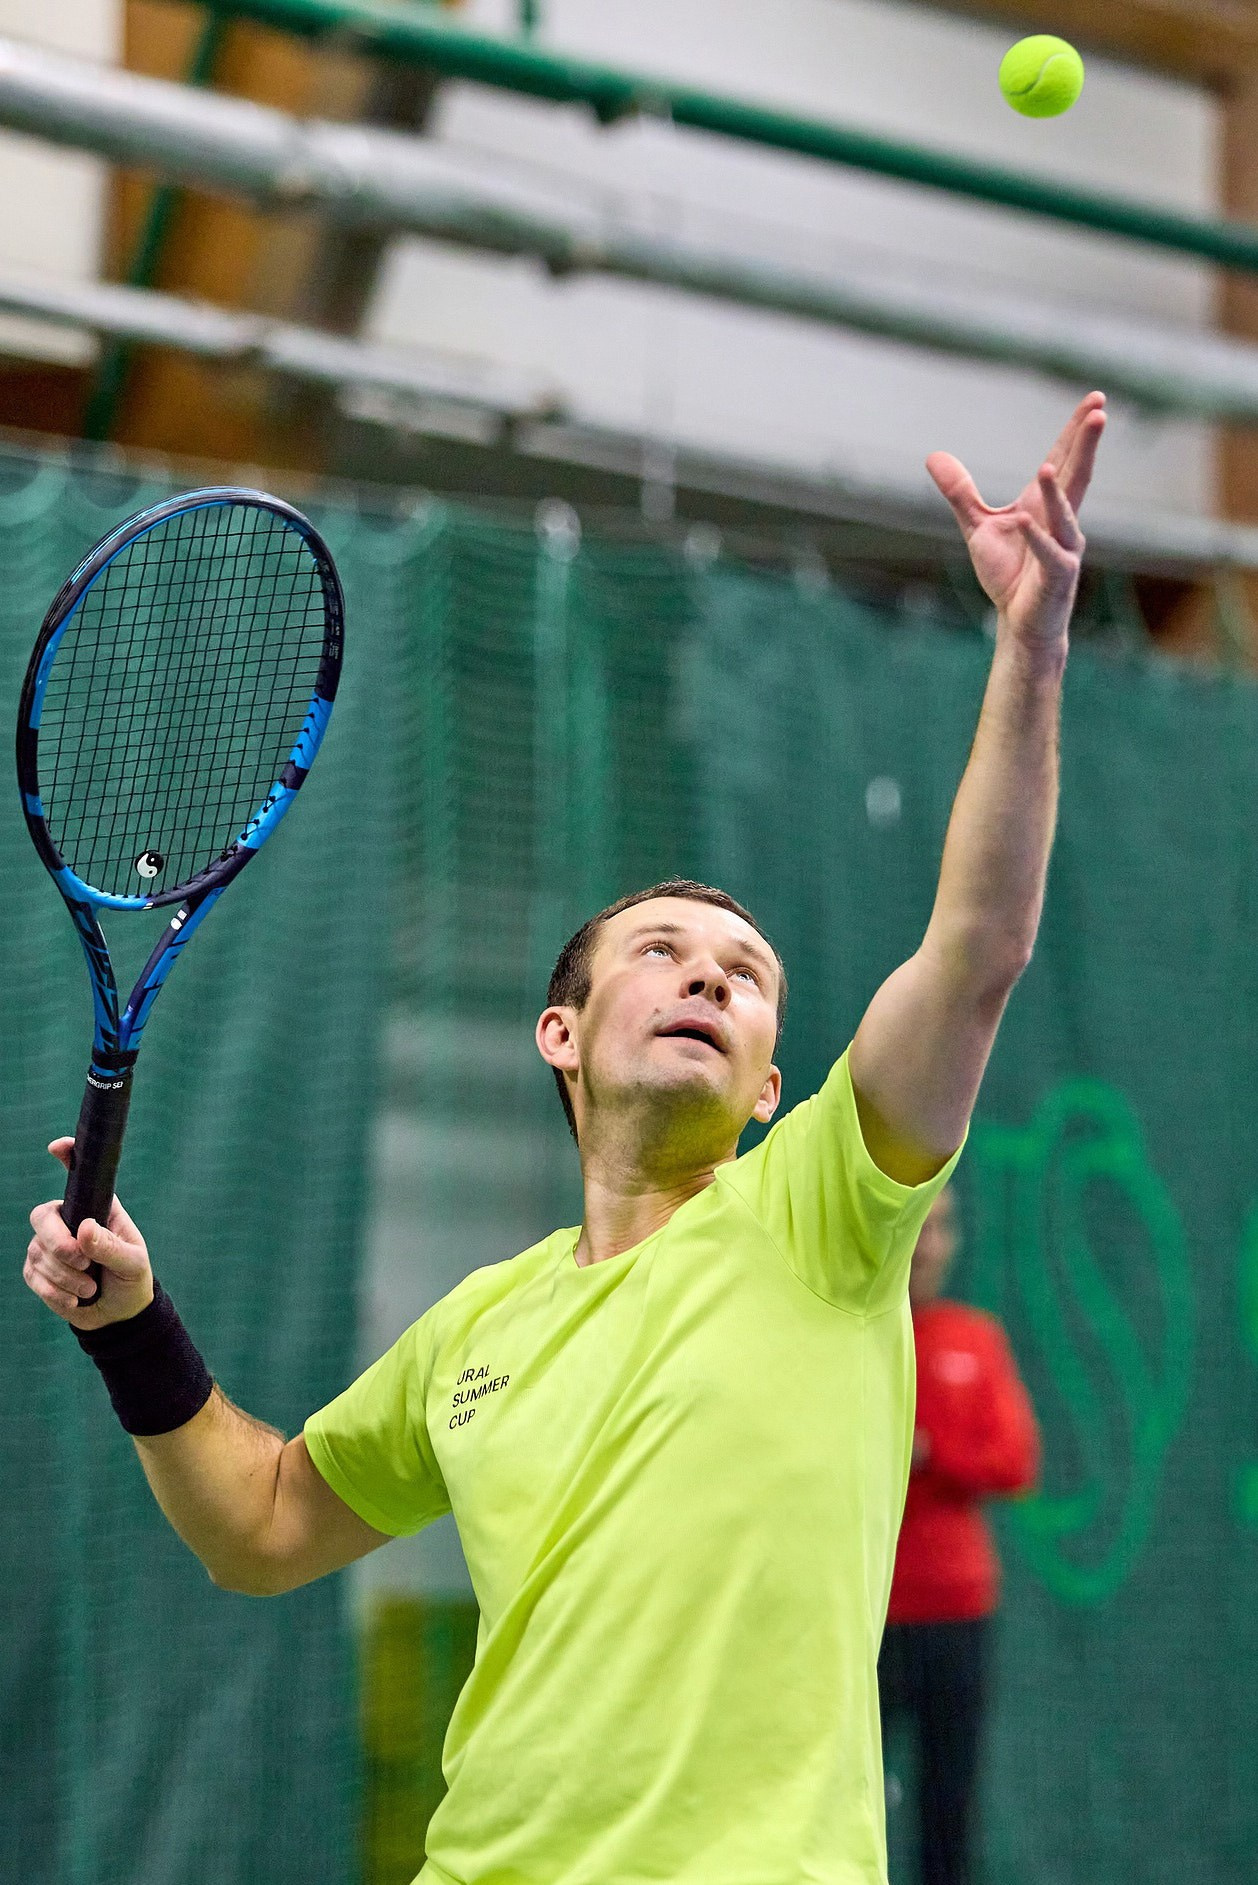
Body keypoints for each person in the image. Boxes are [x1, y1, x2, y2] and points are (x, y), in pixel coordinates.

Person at [23, 392, 1106, 1885]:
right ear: (561, 1035)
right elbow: (261, 1526)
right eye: (662, 952)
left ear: (770, 1088)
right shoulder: (478, 1326)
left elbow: (977, 947)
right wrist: (131, 1327)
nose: (708, 979)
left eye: (744, 978)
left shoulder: (824, 1218)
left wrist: (1030, 649)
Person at [879, 1187, 1039, 1885]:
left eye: (943, 1226)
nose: (929, 1246)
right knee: (850, 1803)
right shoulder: (853, 1334)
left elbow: (1016, 1461)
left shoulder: (977, 1339)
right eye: (918, 1226)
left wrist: (930, 1453)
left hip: (956, 1615)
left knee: (949, 1806)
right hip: (867, 1617)